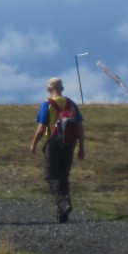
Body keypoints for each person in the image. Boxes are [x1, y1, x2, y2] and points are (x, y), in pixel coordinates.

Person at [29, 76, 85, 223]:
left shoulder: (47, 104)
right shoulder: (71, 103)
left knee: (51, 175)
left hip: (53, 143)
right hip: (70, 143)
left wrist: (34, 143)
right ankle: (63, 213)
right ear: (62, 89)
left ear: (49, 89)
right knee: (63, 176)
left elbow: (41, 128)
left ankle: (64, 204)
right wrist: (82, 147)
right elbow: (79, 126)